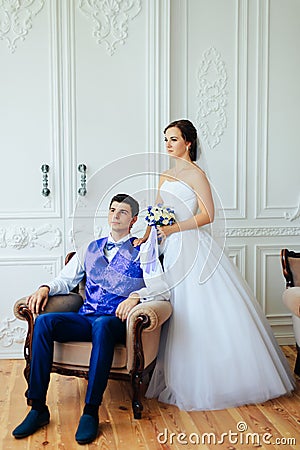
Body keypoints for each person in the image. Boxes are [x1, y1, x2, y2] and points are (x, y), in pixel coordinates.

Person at [135, 119, 295, 411]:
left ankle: (215, 378)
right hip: (170, 248)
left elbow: (208, 214)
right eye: (166, 139)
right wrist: (145, 236)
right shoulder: (165, 174)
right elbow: (155, 211)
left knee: (198, 310)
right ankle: (176, 373)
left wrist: (174, 230)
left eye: (174, 139)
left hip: (192, 245)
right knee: (178, 310)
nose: (168, 144)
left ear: (189, 143)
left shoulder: (197, 175)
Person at [12, 193, 169, 444]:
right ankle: (38, 407)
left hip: (115, 323)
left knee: (104, 324)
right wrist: (45, 288)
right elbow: (66, 280)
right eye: (112, 210)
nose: (115, 215)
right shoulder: (90, 248)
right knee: (44, 322)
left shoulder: (142, 250)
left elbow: (162, 288)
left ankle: (90, 411)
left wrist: (136, 295)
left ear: (134, 220)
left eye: (123, 212)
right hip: (87, 318)